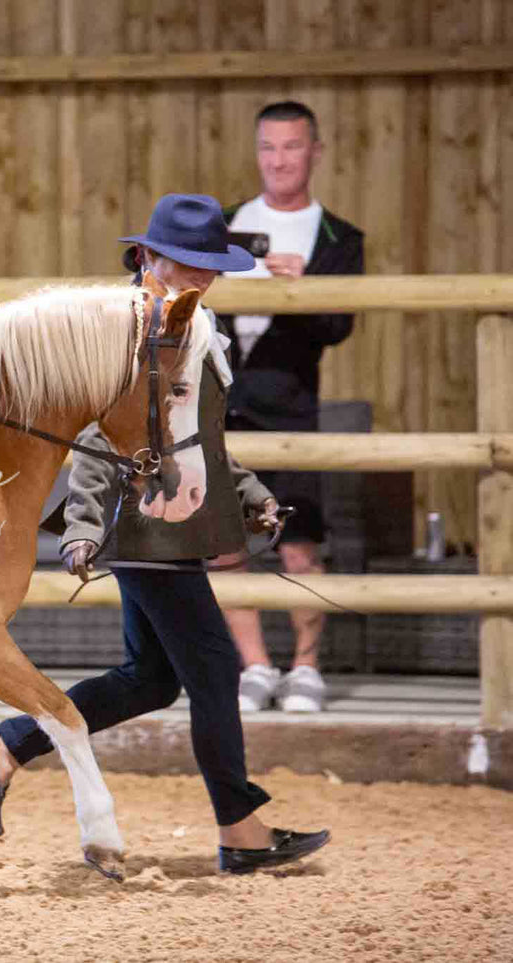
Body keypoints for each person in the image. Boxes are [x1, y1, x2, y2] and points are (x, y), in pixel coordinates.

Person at [0, 193, 330, 875]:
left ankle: (9, 741)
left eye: (210, 266)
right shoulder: (123, 330)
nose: (201, 277)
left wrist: (249, 494)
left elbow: (199, 442)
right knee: (217, 667)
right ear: (145, 258)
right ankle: (241, 832)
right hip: (143, 523)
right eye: (186, 263)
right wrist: (79, 525)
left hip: (179, 518)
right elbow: (93, 439)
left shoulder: (192, 324)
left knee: (149, 679)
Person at [219, 101, 365, 714]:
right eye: (269, 147)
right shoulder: (223, 224)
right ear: (257, 153)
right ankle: (254, 666)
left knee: (299, 542)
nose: (279, 160)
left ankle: (306, 668)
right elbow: (158, 274)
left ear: (315, 152)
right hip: (220, 402)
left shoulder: (338, 237)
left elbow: (339, 326)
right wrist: (242, 266)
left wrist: (297, 288)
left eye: (292, 147)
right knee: (225, 546)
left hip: (292, 408)